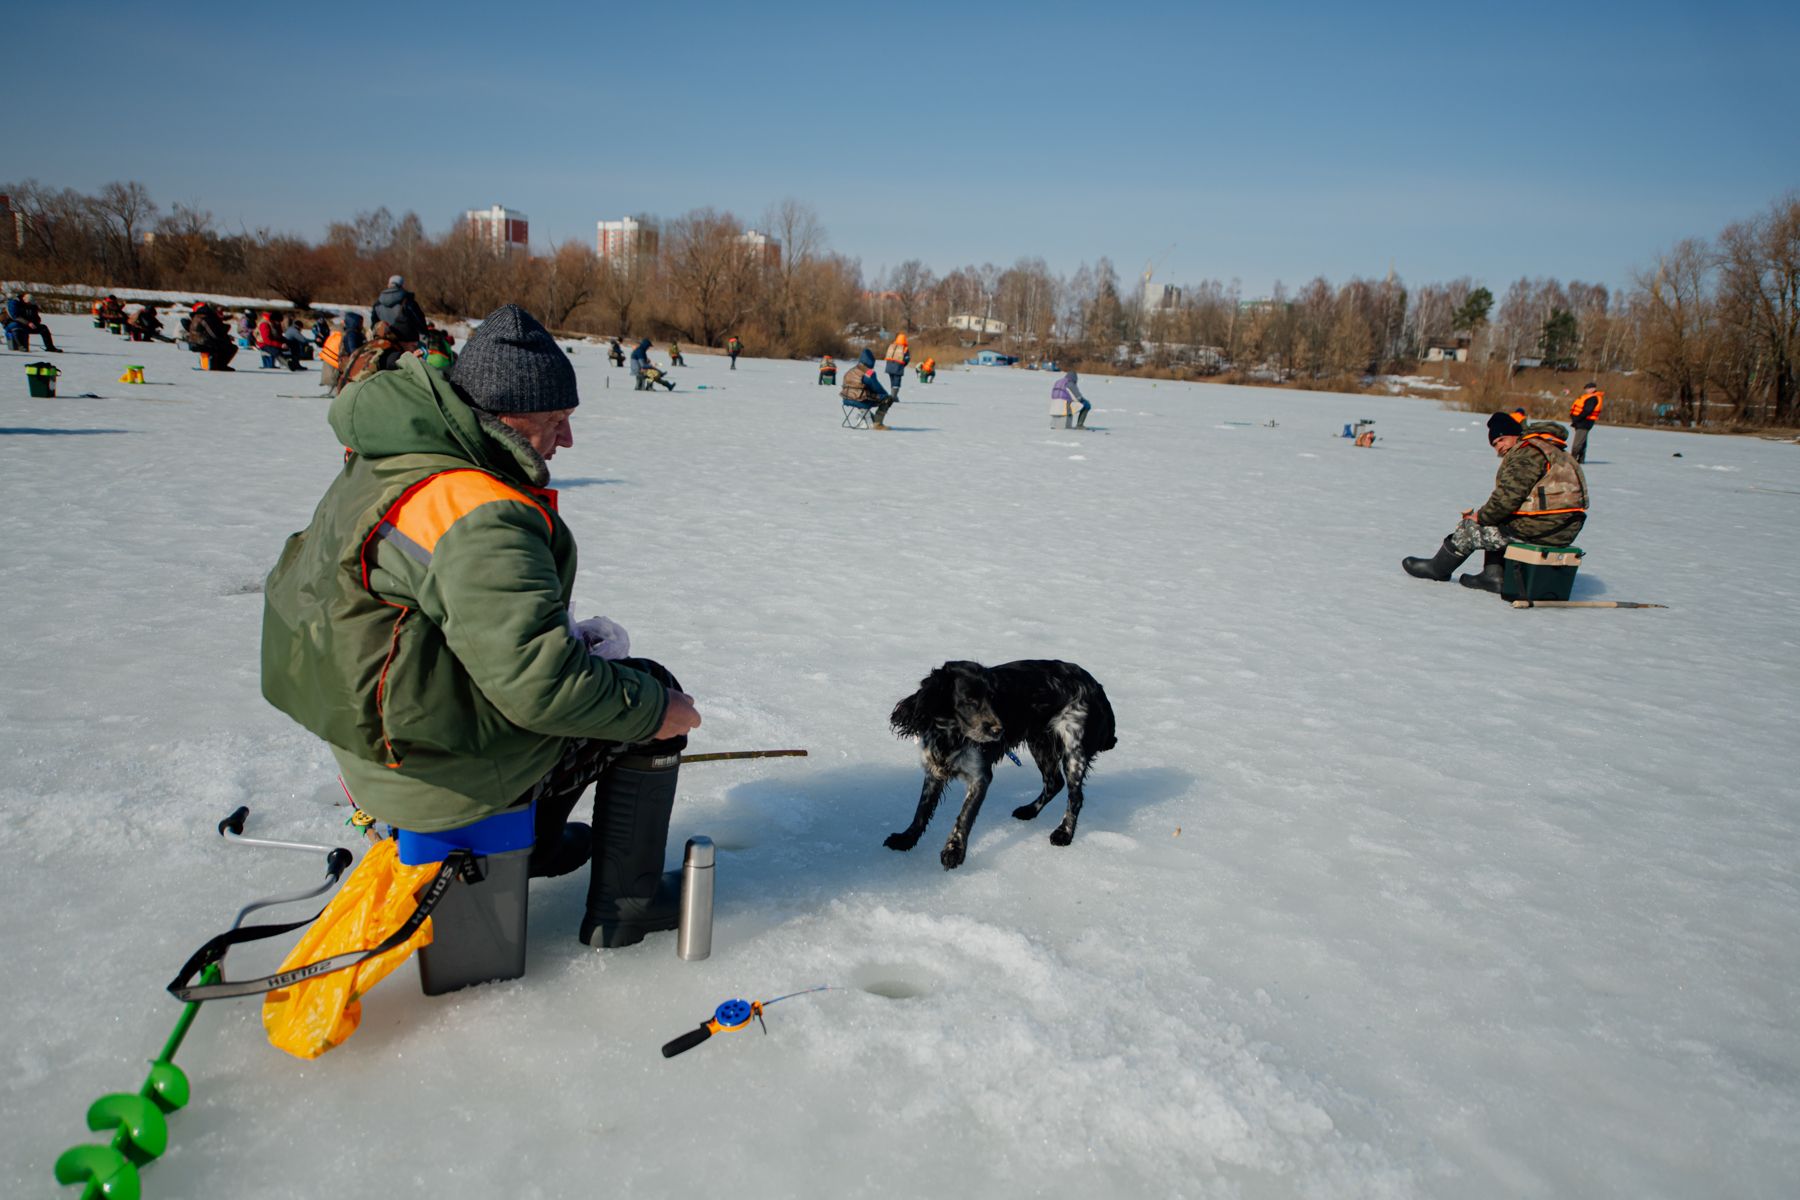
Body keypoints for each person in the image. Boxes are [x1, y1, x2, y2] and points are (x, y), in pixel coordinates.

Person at [260, 303, 704, 949]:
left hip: (378, 746)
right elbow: (539, 688)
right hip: (434, 776)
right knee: (647, 692)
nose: (568, 441)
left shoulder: (394, 458)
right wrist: (655, 710)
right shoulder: (479, 511)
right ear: (509, 415)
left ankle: (535, 844)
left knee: (599, 685)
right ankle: (626, 906)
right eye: (556, 422)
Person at [1402, 412, 1588, 592]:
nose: (1498, 447)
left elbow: (1508, 497)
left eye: (1502, 439)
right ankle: (1492, 576)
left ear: (1516, 435)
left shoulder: (1527, 453)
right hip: (1564, 528)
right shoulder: (1554, 451)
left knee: (1471, 527)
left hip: (1540, 528)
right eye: (1494, 444)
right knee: (1498, 521)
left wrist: (1480, 517)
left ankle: (1438, 569)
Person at [842, 347, 895, 429]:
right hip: (860, 399)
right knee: (887, 399)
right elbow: (877, 388)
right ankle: (878, 424)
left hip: (846, 398)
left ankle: (868, 419)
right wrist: (885, 395)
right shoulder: (868, 373)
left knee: (867, 396)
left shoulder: (850, 370)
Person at [369, 274, 427, 345]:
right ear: (401, 285)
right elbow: (419, 320)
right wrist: (425, 333)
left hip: (387, 343)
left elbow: (374, 324)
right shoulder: (408, 301)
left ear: (388, 284)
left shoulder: (378, 303)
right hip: (408, 342)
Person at [183, 301, 237, 369]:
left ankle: (212, 364)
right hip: (202, 341)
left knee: (222, 344)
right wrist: (225, 330)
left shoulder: (199, 315)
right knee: (230, 347)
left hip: (194, 340)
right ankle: (220, 366)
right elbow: (214, 333)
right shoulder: (206, 317)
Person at [1568, 382, 1603, 464]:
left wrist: (1577, 419)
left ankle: (1573, 460)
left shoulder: (1593, 398)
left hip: (1585, 422)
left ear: (1593, 389)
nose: (1587, 390)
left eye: (1589, 388)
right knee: (1582, 441)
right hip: (1582, 421)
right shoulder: (1588, 397)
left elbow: (1587, 411)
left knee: (1577, 443)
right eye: (1586, 389)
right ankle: (1581, 459)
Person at [883, 332, 910, 397]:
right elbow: (907, 359)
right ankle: (893, 396)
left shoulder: (892, 346)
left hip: (889, 367)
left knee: (892, 381)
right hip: (898, 367)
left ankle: (893, 395)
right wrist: (904, 365)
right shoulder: (905, 348)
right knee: (897, 381)